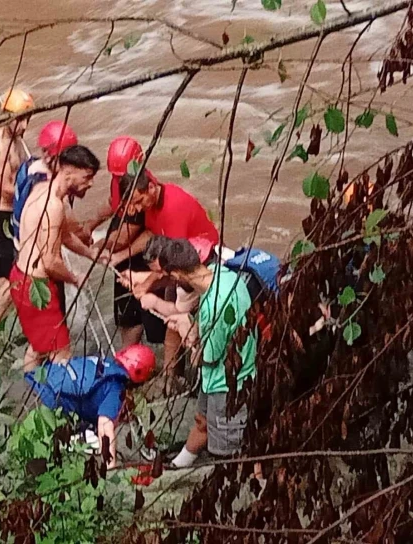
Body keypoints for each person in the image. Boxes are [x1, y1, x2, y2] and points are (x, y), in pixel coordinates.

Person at [103, 171, 220, 384]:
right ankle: (170, 376)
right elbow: (150, 234)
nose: (138, 210)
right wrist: (120, 256)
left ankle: (195, 378)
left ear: (152, 188)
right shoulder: (151, 205)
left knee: (187, 325)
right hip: (178, 266)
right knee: (172, 325)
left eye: (139, 202)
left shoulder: (174, 207)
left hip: (199, 264)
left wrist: (144, 284)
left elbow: (171, 262)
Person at [156, 240, 256, 468]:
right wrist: (188, 322)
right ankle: (179, 463)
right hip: (219, 375)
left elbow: (207, 359)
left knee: (226, 450)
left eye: (171, 277)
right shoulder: (222, 273)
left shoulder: (215, 308)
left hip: (229, 384)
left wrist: (185, 330)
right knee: (202, 421)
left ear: (178, 273)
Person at [10, 145, 101, 372]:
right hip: (37, 288)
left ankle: (31, 392)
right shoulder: (54, 206)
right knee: (62, 355)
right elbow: (50, 262)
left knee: (38, 347)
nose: (90, 184)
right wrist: (74, 278)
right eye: (87, 177)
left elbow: (63, 234)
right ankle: (55, 403)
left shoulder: (41, 189)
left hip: (20, 277)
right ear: (68, 172)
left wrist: (90, 253)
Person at [85, 137, 167, 349]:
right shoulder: (120, 179)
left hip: (142, 258)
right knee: (127, 317)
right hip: (122, 257)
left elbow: (124, 237)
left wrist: (99, 245)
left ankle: (160, 365)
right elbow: (113, 203)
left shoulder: (144, 194)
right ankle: (130, 357)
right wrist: (91, 224)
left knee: (153, 319)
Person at [25, 344, 156, 468]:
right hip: (51, 403)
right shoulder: (115, 389)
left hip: (39, 376)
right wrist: (110, 466)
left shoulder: (105, 364)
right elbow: (105, 426)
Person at [0, 88, 34, 323]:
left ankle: (3, 321)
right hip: (0, 216)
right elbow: (7, 189)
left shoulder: (17, 142)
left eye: (28, 119)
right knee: (11, 278)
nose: (25, 126)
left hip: (15, 214)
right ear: (9, 117)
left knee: (10, 279)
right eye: (21, 120)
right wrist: (37, 192)